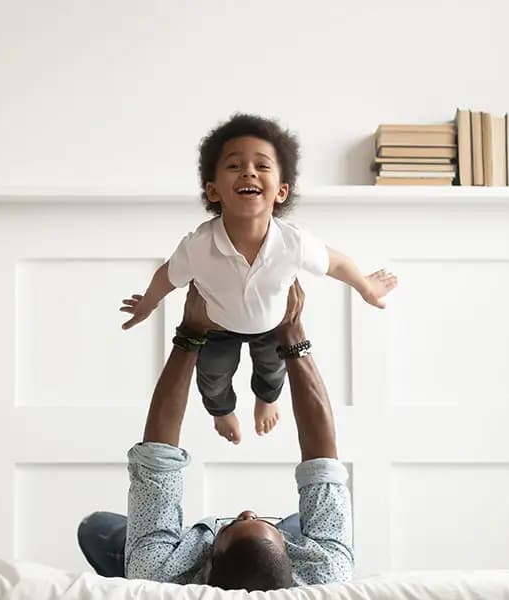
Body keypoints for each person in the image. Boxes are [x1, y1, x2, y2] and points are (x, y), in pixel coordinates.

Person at [120, 113, 397, 443]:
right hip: (217, 328)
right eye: (234, 166)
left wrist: (366, 287)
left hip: (272, 326)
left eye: (262, 166)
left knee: (272, 371)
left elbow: (335, 263)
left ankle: (266, 401)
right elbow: (167, 276)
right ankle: (222, 411)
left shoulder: (292, 242)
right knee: (212, 377)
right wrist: (147, 305)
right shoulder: (199, 245)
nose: (248, 171)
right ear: (213, 190)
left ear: (281, 191)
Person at [79, 280, 352, 590]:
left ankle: (136, 556)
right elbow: (322, 462)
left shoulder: (160, 574)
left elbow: (158, 457)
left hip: (172, 559)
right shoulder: (326, 573)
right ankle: (275, 533)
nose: (246, 511)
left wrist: (190, 334)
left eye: (238, 522)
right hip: (282, 549)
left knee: (95, 530)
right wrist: (293, 335)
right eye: (256, 520)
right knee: (299, 522)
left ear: (206, 568)